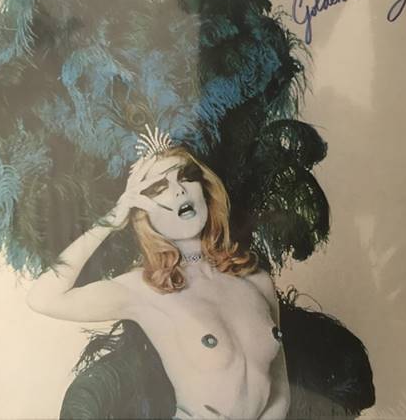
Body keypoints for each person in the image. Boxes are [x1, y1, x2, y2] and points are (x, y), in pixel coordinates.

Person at [27, 145, 291, 420]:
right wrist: (113, 219)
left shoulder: (257, 280)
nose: (179, 191)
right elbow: (43, 298)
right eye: (159, 187)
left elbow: (280, 388)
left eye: (186, 177)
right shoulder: (143, 290)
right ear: (142, 211)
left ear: (204, 189)